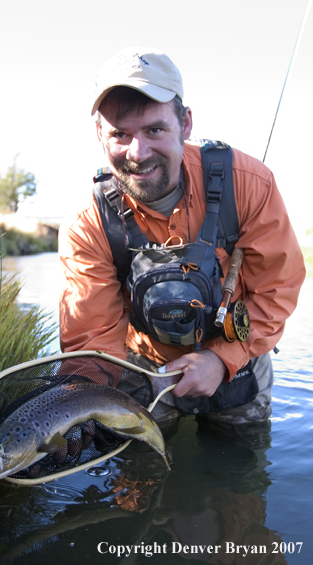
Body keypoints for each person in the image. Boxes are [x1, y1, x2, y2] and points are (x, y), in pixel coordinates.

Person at [59, 47, 305, 425]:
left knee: (239, 476)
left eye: (154, 129)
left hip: (239, 355)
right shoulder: (87, 221)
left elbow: (278, 287)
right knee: (140, 476)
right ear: (99, 134)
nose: (137, 153)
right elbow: (91, 336)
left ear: (185, 124)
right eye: (120, 134)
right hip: (144, 368)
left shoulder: (249, 183)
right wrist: (79, 405)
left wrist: (221, 357)